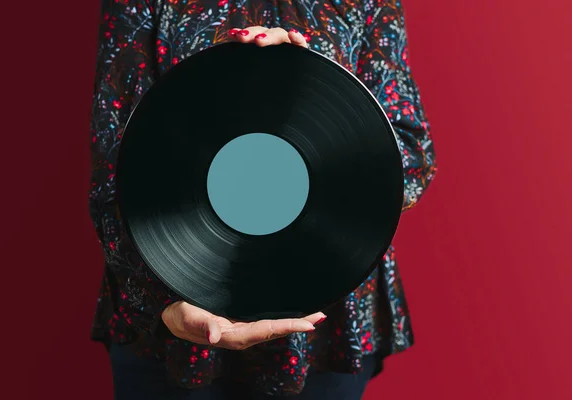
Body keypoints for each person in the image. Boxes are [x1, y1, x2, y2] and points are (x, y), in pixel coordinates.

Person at [88, 0, 437, 399]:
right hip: (167, 302)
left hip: (330, 323)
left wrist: (321, 90)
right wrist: (158, 303)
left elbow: (411, 149)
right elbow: (114, 161)